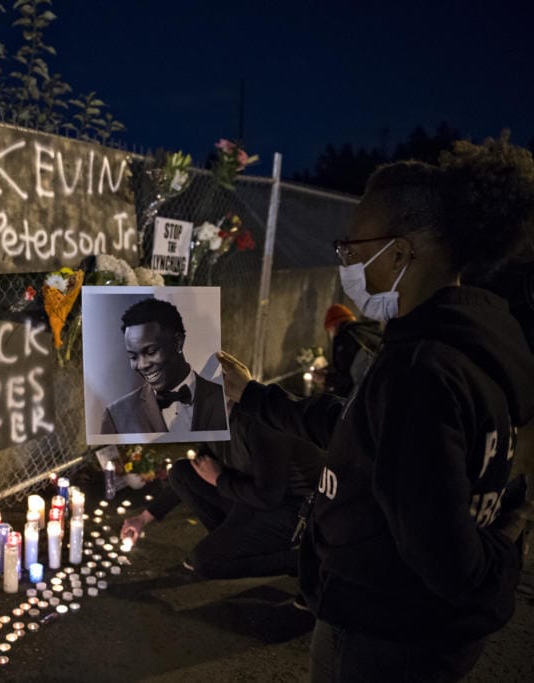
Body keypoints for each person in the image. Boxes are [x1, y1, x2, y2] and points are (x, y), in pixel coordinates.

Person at [217, 134, 534, 681]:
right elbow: (356, 429)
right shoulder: (472, 343)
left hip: (385, 636)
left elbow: (450, 560)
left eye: (353, 248)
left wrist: (505, 545)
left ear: (402, 252)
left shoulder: (422, 368)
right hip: (422, 635)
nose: (345, 261)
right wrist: (251, 394)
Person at [121, 403, 324, 579]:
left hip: (291, 510)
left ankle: (304, 562)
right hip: (248, 495)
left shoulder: (261, 425)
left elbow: (269, 496)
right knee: (181, 472)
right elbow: (200, 469)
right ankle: (231, 543)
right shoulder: (213, 421)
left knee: (205, 562)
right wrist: (144, 518)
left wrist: (219, 479)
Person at [100, 297, 227, 434]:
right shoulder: (116, 416)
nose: (142, 365)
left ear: (178, 342)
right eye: (133, 356)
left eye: (151, 351)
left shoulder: (224, 398)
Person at [320, 303, 382, 397]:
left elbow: (346, 377)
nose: (331, 334)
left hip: (358, 395)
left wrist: (325, 379)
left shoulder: (345, 338)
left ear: (334, 325)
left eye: (330, 330)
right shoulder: (364, 332)